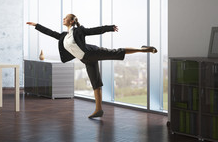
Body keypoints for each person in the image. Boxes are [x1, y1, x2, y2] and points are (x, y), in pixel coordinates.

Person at [26, 14, 157, 119]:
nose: (63, 19)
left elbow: (93, 31)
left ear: (71, 21)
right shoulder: (63, 36)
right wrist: (36, 25)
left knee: (116, 52)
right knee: (95, 83)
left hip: (92, 52)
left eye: (66, 18)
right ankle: (98, 110)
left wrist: (109, 27)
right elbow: (50, 32)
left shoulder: (78, 31)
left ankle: (143, 49)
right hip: (86, 60)